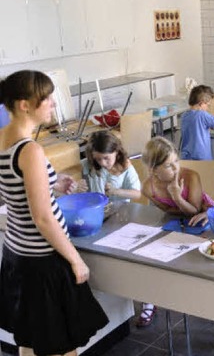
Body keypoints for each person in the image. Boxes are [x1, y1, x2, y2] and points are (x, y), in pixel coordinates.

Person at [0, 70, 108, 355]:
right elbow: (43, 218)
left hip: (15, 255)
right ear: (25, 104)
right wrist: (75, 260)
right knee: (61, 347)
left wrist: (51, 181)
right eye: (46, 98)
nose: (53, 104)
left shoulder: (3, 140)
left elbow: (10, 188)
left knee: (29, 340)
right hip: (43, 263)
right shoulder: (29, 150)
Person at [138, 136, 214, 327]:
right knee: (149, 258)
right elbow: (167, 212)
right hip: (177, 225)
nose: (176, 169)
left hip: (206, 220)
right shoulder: (148, 187)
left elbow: (195, 210)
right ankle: (152, 299)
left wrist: (176, 197)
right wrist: (177, 206)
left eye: (176, 162)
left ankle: (205, 300)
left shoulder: (190, 177)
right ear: (153, 170)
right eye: (168, 166)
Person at [82, 130, 141, 202]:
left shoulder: (125, 166)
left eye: (106, 158)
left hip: (121, 209)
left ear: (116, 151)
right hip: (98, 208)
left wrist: (115, 191)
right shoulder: (90, 163)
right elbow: (72, 173)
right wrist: (76, 186)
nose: (102, 163)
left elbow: (137, 194)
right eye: (98, 159)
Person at [179, 85, 214, 160]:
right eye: (208, 105)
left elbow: (196, 126)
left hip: (186, 157)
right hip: (202, 158)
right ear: (201, 104)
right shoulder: (202, 115)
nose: (208, 108)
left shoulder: (184, 115)